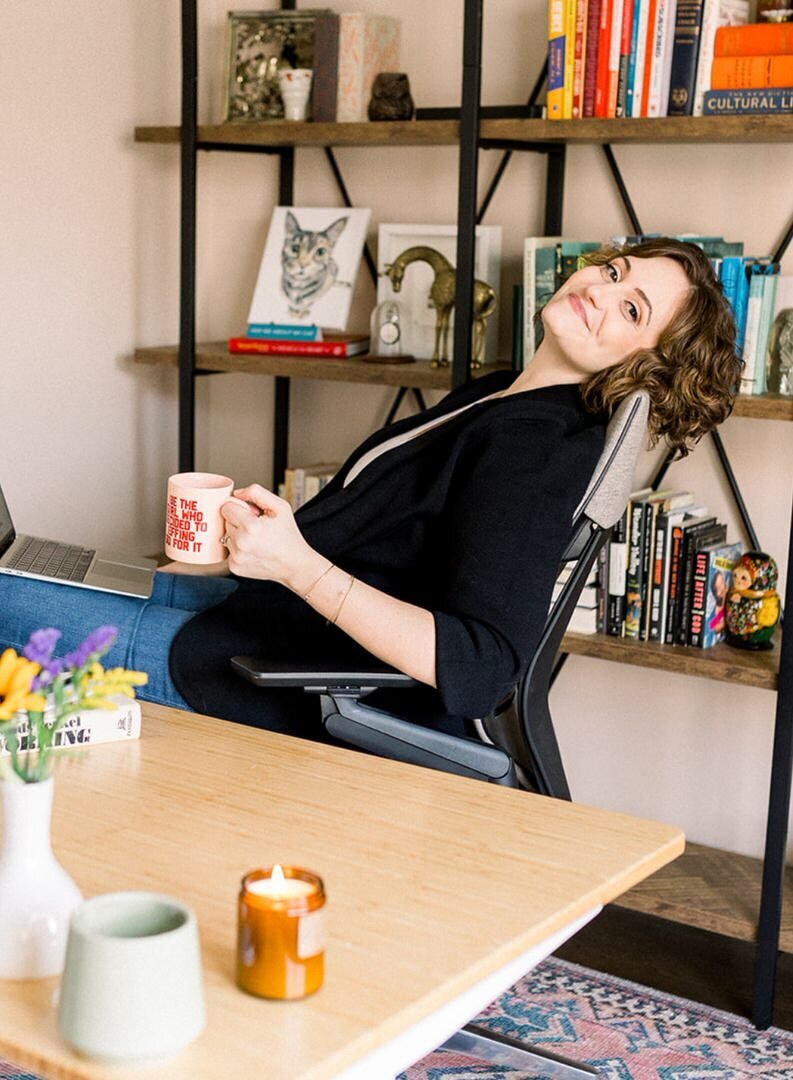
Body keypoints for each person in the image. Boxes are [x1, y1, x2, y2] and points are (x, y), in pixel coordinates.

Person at [0, 238, 740, 742]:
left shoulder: (537, 451)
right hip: (241, 610)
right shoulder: (500, 396)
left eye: (634, 310)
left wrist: (294, 562)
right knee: (19, 567)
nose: (602, 292)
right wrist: (247, 550)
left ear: (645, 366)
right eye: (615, 272)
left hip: (264, 672)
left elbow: (481, 666)